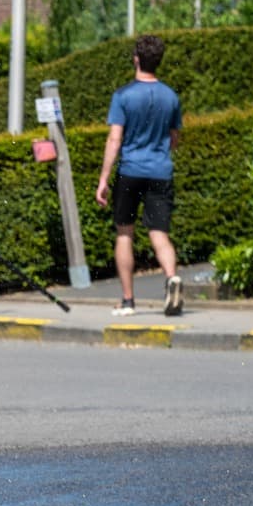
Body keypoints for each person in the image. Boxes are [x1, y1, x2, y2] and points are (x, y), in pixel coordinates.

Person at [96, 33, 185, 317]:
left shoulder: (122, 96)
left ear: (136, 59)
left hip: (130, 170)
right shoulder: (171, 97)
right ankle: (171, 277)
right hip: (161, 171)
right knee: (159, 233)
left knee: (125, 233)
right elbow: (174, 139)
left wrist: (103, 179)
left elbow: (114, 139)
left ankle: (128, 301)